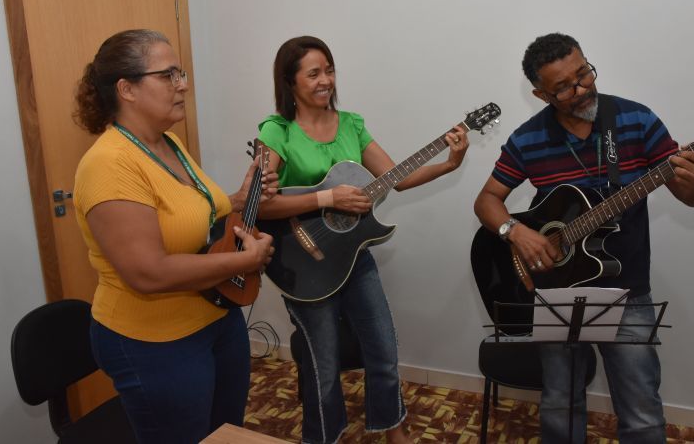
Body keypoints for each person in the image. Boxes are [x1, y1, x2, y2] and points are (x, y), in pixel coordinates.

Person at [473, 33, 694, 443]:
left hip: (626, 289)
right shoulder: (527, 139)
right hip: (555, 291)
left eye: (584, 73)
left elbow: (689, 195)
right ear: (541, 94)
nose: (582, 89)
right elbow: (486, 201)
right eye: (564, 87)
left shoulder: (636, 120)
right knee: (559, 403)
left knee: (641, 410)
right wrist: (515, 232)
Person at [256, 35, 469, 444]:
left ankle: (394, 429)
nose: (326, 80)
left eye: (330, 70)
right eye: (313, 73)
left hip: (354, 258)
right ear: (290, 82)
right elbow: (259, 205)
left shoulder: (351, 124)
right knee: (323, 367)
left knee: (383, 349)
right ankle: (323, 437)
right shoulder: (276, 131)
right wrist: (327, 198)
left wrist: (449, 163)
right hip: (302, 260)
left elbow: (397, 177)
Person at [72, 29, 278, 444]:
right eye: (168, 75)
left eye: (180, 73)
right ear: (127, 89)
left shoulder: (168, 142)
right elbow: (148, 273)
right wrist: (245, 261)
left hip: (215, 316)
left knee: (224, 434)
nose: (182, 84)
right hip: (155, 340)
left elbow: (190, 216)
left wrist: (241, 197)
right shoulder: (109, 164)